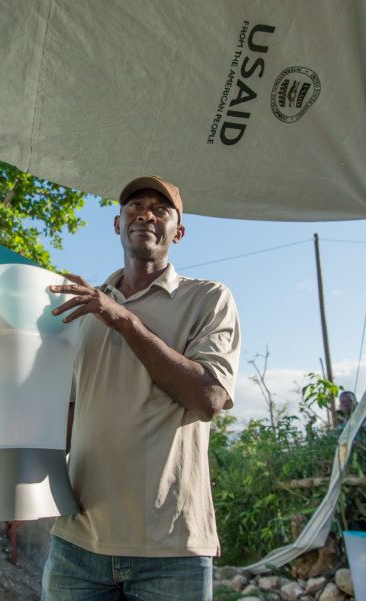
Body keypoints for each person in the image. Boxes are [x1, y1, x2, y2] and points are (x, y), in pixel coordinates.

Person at [42, 175, 241, 600]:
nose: (146, 214)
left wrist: (124, 320)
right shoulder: (83, 307)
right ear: (117, 224)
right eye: (134, 205)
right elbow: (70, 412)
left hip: (171, 549)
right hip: (78, 543)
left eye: (160, 209)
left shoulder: (208, 299)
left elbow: (208, 399)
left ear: (178, 232)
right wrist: (27, 487)